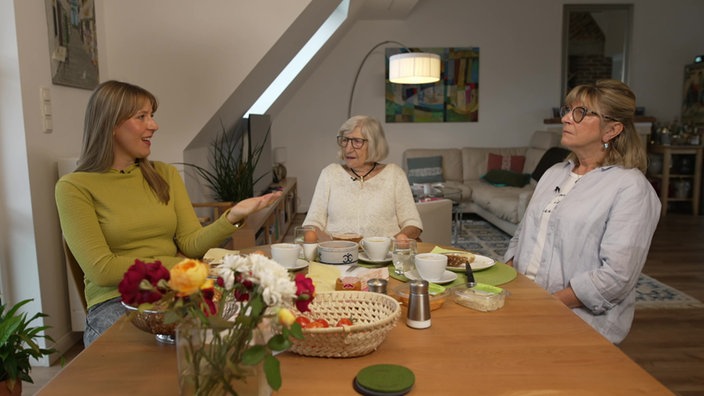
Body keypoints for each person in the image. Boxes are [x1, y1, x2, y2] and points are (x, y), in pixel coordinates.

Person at [55, 80, 281, 346]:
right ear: (111, 124)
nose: (154, 125)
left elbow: (190, 244)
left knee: (252, 327)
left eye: (152, 115)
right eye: (142, 117)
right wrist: (176, 264)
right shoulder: (74, 187)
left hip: (177, 290)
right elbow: (102, 271)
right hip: (116, 302)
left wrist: (232, 217)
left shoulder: (164, 174)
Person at [504, 80, 661, 344]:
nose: (566, 118)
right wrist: (507, 285)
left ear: (612, 129)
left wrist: (549, 305)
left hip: (578, 325)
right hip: (524, 308)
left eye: (580, 113)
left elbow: (616, 276)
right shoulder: (555, 172)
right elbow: (522, 236)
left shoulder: (630, 187)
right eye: (567, 110)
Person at [303, 115, 422, 241]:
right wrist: (331, 244)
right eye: (345, 140)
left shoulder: (394, 174)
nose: (348, 148)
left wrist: (394, 242)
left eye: (357, 141)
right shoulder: (330, 173)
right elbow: (312, 223)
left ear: (373, 144)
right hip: (337, 254)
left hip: (384, 255)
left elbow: (413, 223)